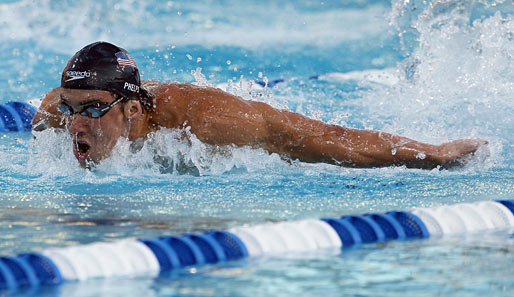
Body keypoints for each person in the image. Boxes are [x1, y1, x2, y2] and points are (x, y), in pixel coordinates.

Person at [32, 41, 487, 169]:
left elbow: (325, 139)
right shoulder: (55, 112)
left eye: (92, 110)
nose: (76, 125)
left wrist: (431, 153)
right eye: (72, 109)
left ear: (132, 110)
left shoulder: (204, 118)